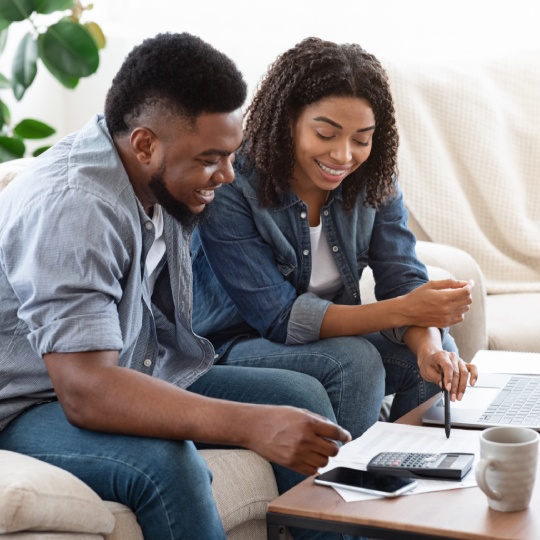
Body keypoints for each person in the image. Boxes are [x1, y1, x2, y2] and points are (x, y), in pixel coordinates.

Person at [0, 33, 353, 540]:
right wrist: (250, 424)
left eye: (230, 155)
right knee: (169, 465)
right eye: (212, 158)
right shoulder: (75, 207)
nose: (228, 175)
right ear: (145, 143)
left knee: (301, 395)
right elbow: (86, 391)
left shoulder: (150, 178)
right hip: (32, 400)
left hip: (130, 363)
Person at [192, 37, 478, 439]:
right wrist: (406, 309)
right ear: (288, 119)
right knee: (355, 362)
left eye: (361, 140)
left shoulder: (373, 182)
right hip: (231, 346)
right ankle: (345, 494)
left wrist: (430, 346)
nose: (344, 156)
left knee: (435, 352)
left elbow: (402, 279)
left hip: (314, 343)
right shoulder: (234, 184)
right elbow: (279, 318)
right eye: (326, 134)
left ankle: (408, 479)